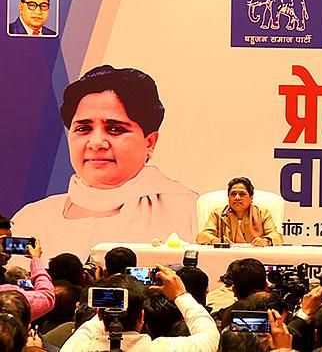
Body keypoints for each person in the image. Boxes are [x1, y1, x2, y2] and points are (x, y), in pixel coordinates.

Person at [11, 65, 199, 260]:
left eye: (115, 129)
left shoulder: (189, 212)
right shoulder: (30, 219)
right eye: (83, 129)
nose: (96, 143)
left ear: (150, 142)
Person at [60, 265, 219, 351]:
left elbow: (87, 330)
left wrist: (113, 298)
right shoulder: (164, 348)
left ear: (99, 315)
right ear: (142, 317)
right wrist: (180, 295)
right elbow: (209, 336)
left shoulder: (77, 348)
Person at [196, 177, 283, 247]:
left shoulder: (262, 213)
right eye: (233, 194)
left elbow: (277, 237)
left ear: (251, 197)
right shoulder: (218, 214)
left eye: (242, 194)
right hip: (225, 260)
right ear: (228, 197)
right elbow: (202, 236)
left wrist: (265, 241)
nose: (237, 197)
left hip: (256, 260)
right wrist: (216, 240)